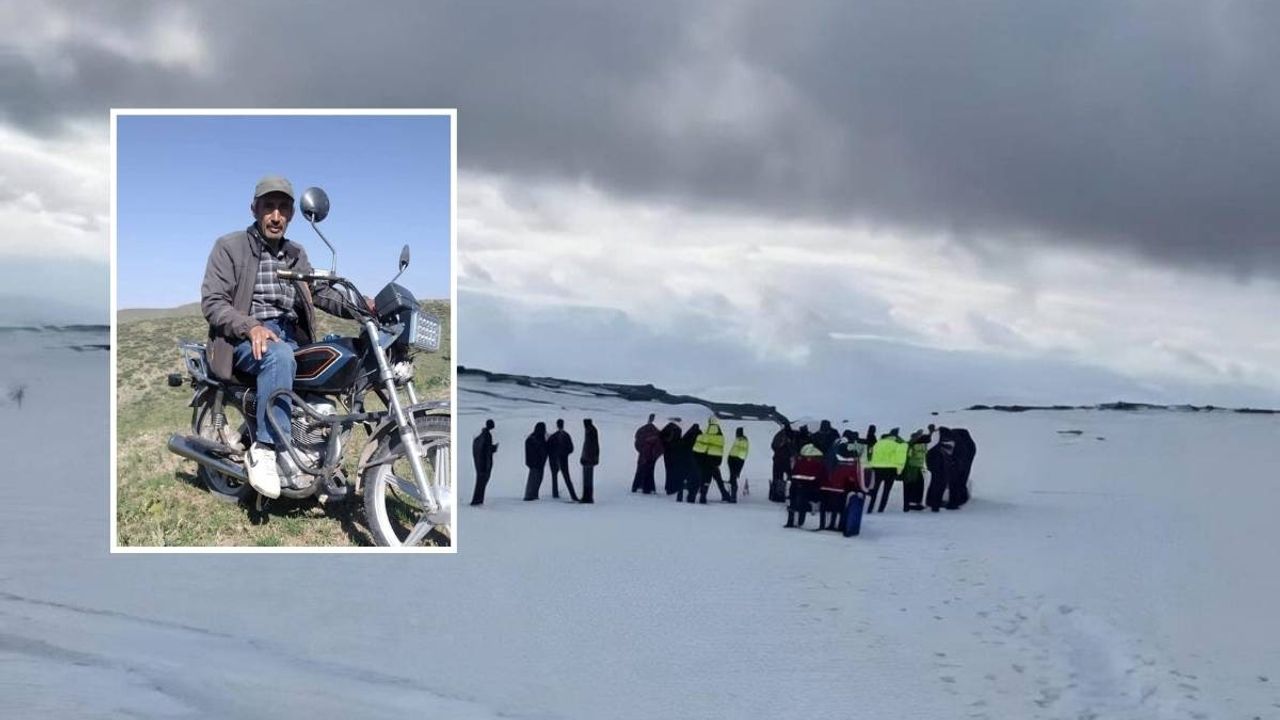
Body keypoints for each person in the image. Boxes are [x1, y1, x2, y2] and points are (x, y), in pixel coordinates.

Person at [201, 175, 365, 498]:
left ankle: (321, 459)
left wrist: (363, 306)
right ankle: (265, 449)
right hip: (245, 339)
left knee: (341, 355)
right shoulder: (229, 247)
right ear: (254, 209)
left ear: (291, 214)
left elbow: (320, 291)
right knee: (279, 355)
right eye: (268, 207)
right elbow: (213, 301)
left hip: (292, 337)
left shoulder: (295, 254)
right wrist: (250, 326)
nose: (276, 216)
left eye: (282, 209)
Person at [866, 427, 907, 513]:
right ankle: (881, 509)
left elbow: (871, 455)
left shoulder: (878, 443)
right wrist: (899, 470)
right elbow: (900, 459)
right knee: (886, 490)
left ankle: (870, 507)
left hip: (877, 468)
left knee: (875, 489)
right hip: (890, 469)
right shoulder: (897, 445)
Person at [786, 442, 825, 528]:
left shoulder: (799, 462)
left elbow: (793, 474)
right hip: (811, 488)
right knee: (803, 502)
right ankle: (801, 520)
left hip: (797, 486)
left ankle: (792, 521)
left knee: (794, 502)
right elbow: (822, 476)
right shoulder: (819, 463)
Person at [692, 417, 729, 503]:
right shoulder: (720, 434)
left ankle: (702, 496)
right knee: (717, 478)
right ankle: (725, 495)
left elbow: (698, 446)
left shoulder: (706, 432)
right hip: (715, 460)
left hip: (705, 459)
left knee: (706, 478)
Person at [546, 418, 579, 501]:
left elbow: (548, 448)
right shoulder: (566, 435)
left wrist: (553, 454)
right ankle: (573, 496)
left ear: (557, 425)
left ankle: (555, 494)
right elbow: (571, 448)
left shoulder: (553, 436)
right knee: (567, 477)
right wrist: (565, 453)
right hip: (563, 459)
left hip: (553, 459)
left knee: (554, 477)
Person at [632, 413, 663, 494]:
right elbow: (661, 444)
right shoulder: (658, 431)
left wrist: (641, 450)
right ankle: (648, 488)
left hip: (644, 453)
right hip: (651, 454)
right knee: (649, 471)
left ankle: (636, 487)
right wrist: (656, 454)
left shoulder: (642, 429)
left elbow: (637, 441)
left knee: (640, 469)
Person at [925, 431, 957, 512]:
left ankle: (935, 503)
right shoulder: (938, 452)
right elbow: (934, 463)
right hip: (939, 474)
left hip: (941, 474)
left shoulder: (942, 452)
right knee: (937, 489)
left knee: (938, 489)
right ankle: (935, 506)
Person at [470, 419, 498, 506]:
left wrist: (492, 448)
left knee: (481, 482)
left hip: (483, 463)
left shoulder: (484, 435)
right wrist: (493, 449)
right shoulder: (486, 436)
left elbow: (486, 449)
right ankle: (477, 500)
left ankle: (478, 500)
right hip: (484, 464)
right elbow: (484, 450)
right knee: (481, 482)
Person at [901, 429, 929, 511]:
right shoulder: (914, 445)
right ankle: (910, 504)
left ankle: (910, 504)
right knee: (912, 485)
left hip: (914, 466)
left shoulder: (913, 444)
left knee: (913, 485)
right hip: (911, 467)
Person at [522, 422, 549, 501]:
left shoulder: (535, 438)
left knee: (537, 480)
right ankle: (529, 495)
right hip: (535, 463)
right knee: (533, 480)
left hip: (538, 463)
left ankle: (533, 494)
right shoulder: (533, 439)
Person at [769, 422, 794, 502]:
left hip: (779, 459)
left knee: (778, 477)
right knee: (790, 477)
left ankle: (777, 495)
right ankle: (786, 494)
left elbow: (773, 446)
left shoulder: (779, 435)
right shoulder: (792, 435)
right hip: (786, 460)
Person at [659, 418, 684, 495]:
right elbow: (679, 441)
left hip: (667, 451)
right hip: (674, 452)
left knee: (668, 469)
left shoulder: (667, 427)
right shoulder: (678, 429)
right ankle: (672, 487)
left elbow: (660, 436)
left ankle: (668, 486)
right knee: (673, 470)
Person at [679, 423, 702, 503]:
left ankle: (680, 496)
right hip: (695, 460)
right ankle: (691, 498)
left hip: (685, 459)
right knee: (695, 480)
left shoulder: (687, 434)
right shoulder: (700, 435)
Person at [726, 427, 749, 503]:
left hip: (736, 461)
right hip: (734, 460)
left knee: (733, 478)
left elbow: (741, 453)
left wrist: (738, 465)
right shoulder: (739, 440)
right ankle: (732, 495)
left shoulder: (742, 440)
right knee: (732, 478)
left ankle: (733, 497)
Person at [579, 418, 599, 504]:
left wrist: (585, 458)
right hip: (590, 458)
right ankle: (587, 496)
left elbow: (589, 447)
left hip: (588, 459)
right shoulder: (591, 430)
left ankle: (587, 497)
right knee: (588, 479)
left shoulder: (590, 431)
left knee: (587, 479)